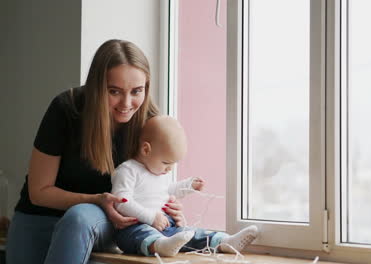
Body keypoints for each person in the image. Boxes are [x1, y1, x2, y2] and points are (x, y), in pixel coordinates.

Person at [6, 39, 186, 264]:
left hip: (99, 220)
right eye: (114, 91)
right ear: (96, 86)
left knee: (79, 217)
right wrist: (98, 200)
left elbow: (155, 180)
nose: (126, 103)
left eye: (137, 91)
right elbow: (39, 192)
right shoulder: (67, 108)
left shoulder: (151, 123)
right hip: (40, 218)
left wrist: (167, 205)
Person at [112, 116, 258, 257]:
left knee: (190, 233)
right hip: (134, 227)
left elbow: (171, 190)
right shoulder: (128, 170)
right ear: (145, 149)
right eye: (166, 163)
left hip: (165, 226)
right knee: (142, 233)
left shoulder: (160, 172)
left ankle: (224, 241)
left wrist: (188, 185)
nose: (169, 169)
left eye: (173, 164)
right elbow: (121, 202)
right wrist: (150, 217)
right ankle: (160, 246)